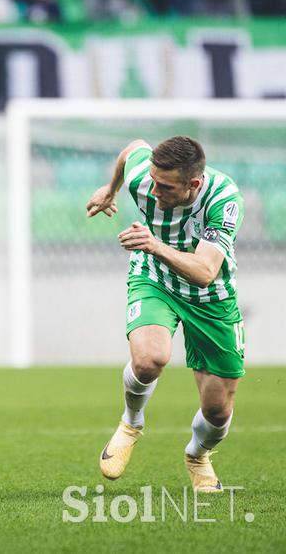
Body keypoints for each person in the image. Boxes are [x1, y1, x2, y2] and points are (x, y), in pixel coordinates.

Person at [87, 136, 245, 493]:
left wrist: (155, 244)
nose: (153, 190)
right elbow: (132, 149)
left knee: (218, 411)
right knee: (149, 360)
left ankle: (197, 454)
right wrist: (110, 189)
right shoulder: (146, 177)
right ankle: (131, 423)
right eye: (153, 181)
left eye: (165, 186)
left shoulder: (224, 198)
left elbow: (205, 271)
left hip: (211, 296)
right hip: (154, 276)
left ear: (194, 184)